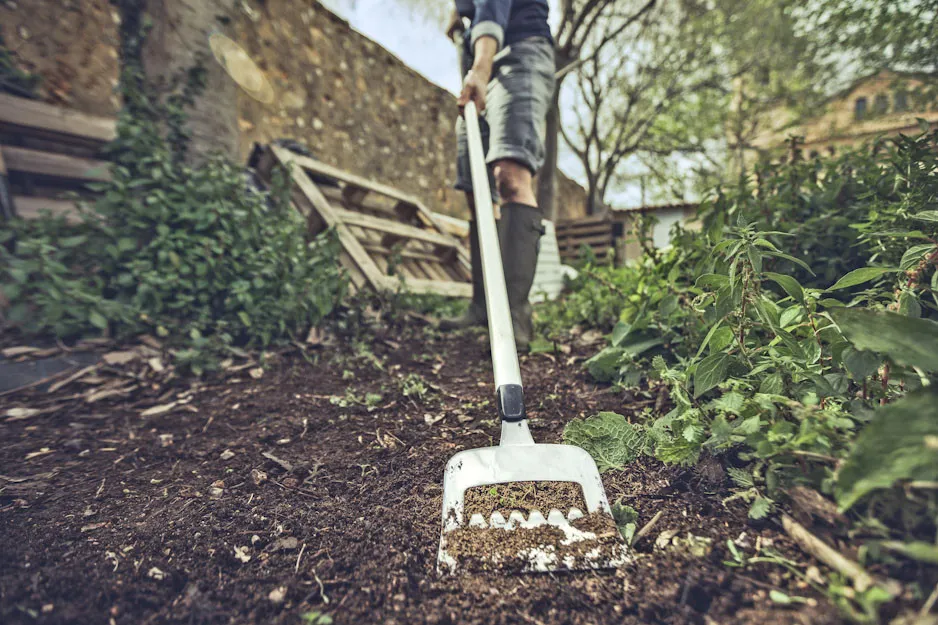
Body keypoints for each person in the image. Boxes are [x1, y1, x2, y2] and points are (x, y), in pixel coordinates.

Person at [439, 0, 555, 350]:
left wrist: (481, 66)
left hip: (519, 51)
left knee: (510, 176)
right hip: (479, 61)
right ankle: (482, 307)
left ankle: (514, 316)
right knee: (476, 186)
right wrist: (460, 17)